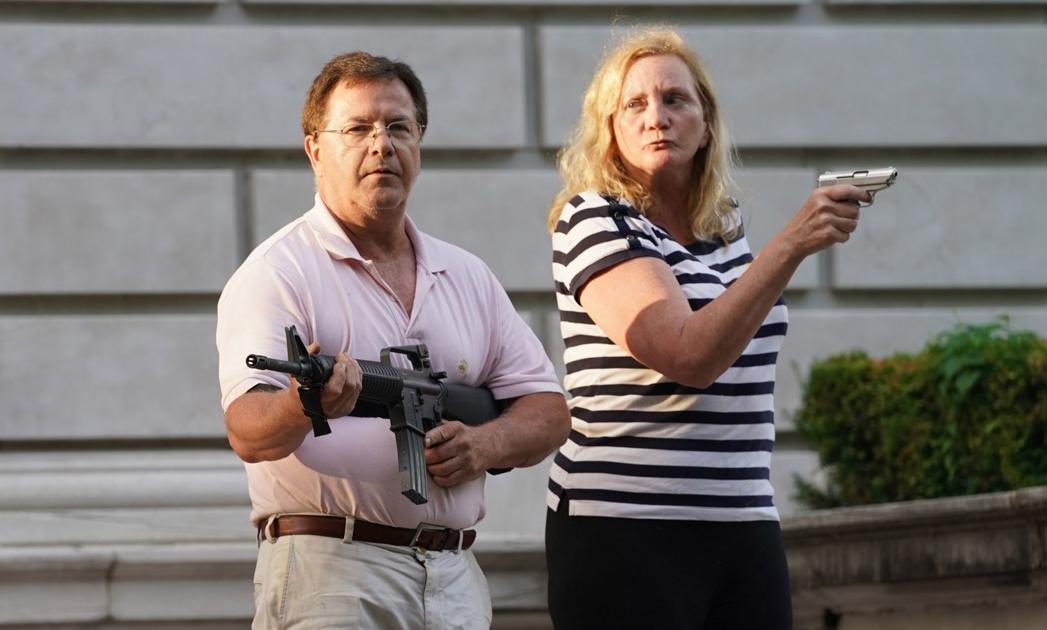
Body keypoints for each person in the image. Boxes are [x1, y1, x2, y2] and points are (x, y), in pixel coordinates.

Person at [216, 51, 569, 630]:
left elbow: (549, 411)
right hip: (334, 574)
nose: (381, 145)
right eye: (357, 129)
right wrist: (305, 403)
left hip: (454, 574)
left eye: (398, 127)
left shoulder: (466, 275)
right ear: (315, 150)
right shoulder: (277, 273)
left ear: (419, 144)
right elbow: (248, 430)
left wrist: (486, 444)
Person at [544, 28, 871, 630]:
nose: (656, 117)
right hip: (625, 526)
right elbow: (686, 355)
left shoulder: (723, 230)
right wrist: (791, 245)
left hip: (742, 519)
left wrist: (776, 251)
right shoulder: (594, 219)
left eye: (675, 99)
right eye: (634, 104)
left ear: (707, 124)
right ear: (610, 129)